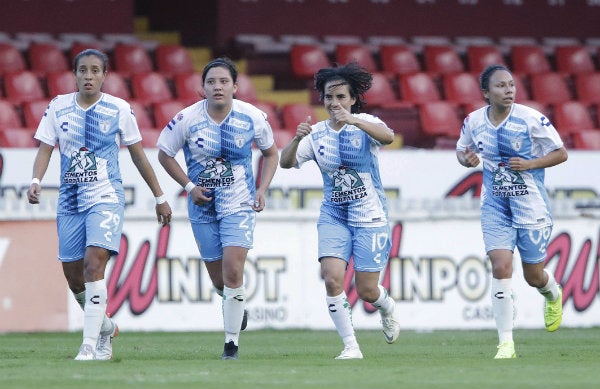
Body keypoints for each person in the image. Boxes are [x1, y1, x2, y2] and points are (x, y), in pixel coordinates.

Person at [27, 49, 173, 361]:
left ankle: (90, 345)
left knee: (95, 263)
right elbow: (45, 148)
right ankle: (105, 327)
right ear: (75, 74)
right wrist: (36, 180)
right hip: (69, 200)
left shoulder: (119, 109)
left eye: (95, 71)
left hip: (106, 196)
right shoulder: (58, 107)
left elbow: (137, 155)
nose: (89, 76)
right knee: (73, 275)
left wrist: (160, 197)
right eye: (83, 70)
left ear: (105, 76)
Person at [156, 57, 279, 360]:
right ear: (203, 88)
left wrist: (262, 190)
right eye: (211, 82)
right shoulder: (186, 119)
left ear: (235, 86)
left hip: (239, 203)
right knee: (219, 281)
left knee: (233, 270)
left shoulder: (252, 117)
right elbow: (164, 154)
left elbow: (271, 153)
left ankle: (231, 345)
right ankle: (236, 307)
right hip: (203, 206)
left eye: (224, 81)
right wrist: (189, 188)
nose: (217, 87)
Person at [279, 62, 400, 360]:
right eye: (329, 97)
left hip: (369, 216)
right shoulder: (317, 134)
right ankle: (351, 346)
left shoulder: (365, 123)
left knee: (368, 291)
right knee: (332, 277)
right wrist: (296, 139)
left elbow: (387, 137)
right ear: (322, 99)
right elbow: (285, 162)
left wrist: (354, 121)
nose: (334, 103)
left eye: (341, 97)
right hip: (334, 215)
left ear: (353, 99)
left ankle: (386, 306)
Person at [456, 64, 567, 359]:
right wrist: (465, 160)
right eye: (501, 86)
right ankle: (506, 343)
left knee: (533, 276)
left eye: (511, 85)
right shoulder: (474, 121)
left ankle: (552, 292)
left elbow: (561, 152)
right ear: (485, 93)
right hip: (496, 206)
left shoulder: (531, 119)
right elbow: (462, 149)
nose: (509, 91)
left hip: (531, 206)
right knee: (501, 266)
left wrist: (530, 164)